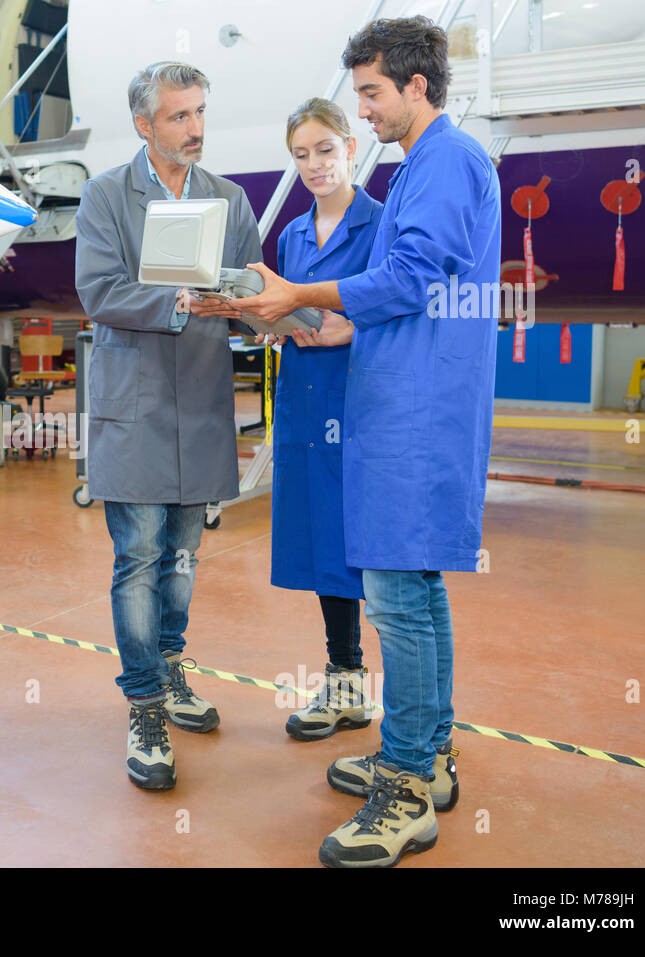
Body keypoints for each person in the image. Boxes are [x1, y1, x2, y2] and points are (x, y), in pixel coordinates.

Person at [227, 17, 501, 866]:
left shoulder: (446, 161)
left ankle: (406, 791)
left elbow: (412, 277)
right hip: (404, 403)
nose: (365, 109)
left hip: (414, 418)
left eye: (373, 93)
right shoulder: (425, 165)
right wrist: (292, 314)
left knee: (398, 598)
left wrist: (296, 293)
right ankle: (429, 756)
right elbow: (401, 293)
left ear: (417, 87)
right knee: (414, 594)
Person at [74, 61, 261, 791]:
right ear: (144, 124)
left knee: (182, 557)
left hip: (202, 405)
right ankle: (145, 704)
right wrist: (183, 302)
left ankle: (172, 668)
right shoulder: (105, 197)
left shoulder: (229, 197)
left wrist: (282, 314)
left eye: (200, 113)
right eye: (180, 116)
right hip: (137, 405)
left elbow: (250, 283)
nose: (195, 129)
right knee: (138, 556)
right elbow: (100, 291)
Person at [269, 98, 382, 743]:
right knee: (321, 542)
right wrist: (272, 323)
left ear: (350, 148)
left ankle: (411, 712)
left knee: (366, 544)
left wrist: (350, 329)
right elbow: (288, 308)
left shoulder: (382, 225)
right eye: (301, 155)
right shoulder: (290, 235)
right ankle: (345, 684)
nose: (314, 166)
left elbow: (400, 309)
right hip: (304, 403)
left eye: (324, 151)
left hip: (357, 404)